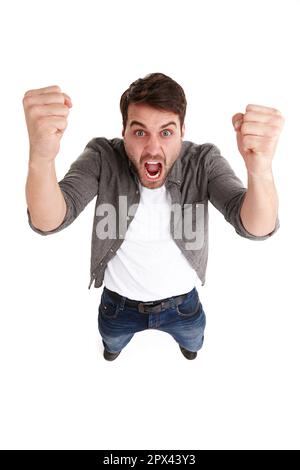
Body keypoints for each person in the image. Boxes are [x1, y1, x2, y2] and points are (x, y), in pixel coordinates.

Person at [23, 73, 284, 361]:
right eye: (139, 132)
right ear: (123, 131)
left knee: (194, 342)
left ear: (183, 131)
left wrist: (260, 170)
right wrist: (41, 157)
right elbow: (49, 220)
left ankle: (189, 349)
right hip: (117, 305)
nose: (152, 148)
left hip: (184, 306)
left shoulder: (203, 162)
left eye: (166, 132)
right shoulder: (103, 156)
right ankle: (112, 350)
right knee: (111, 342)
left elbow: (256, 227)